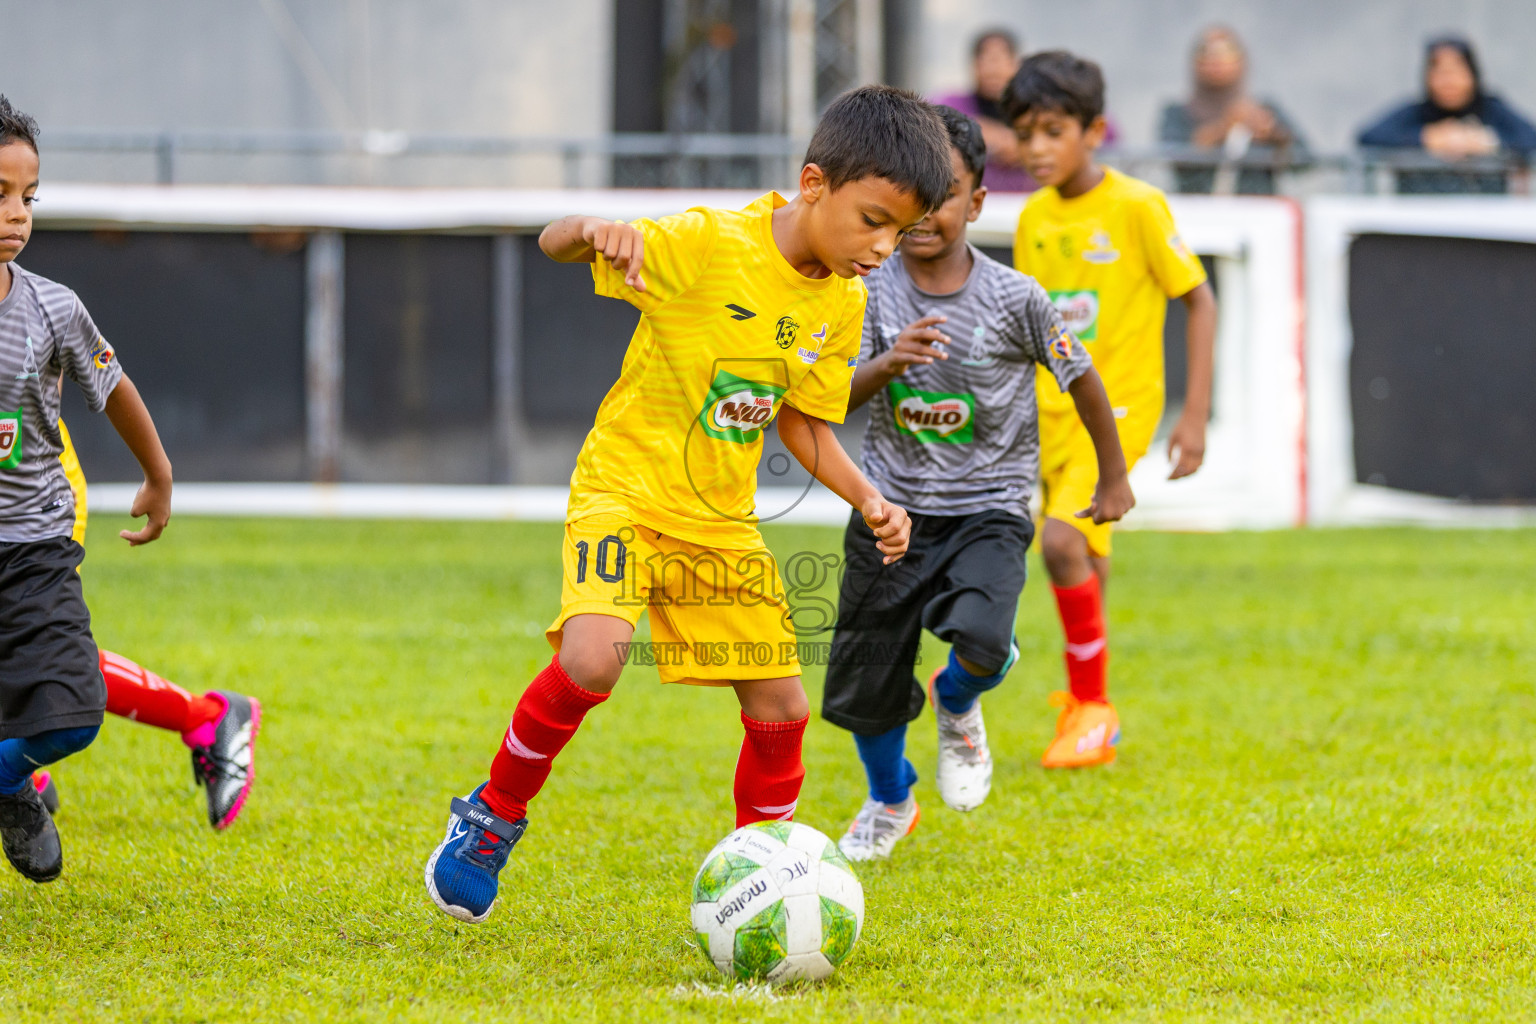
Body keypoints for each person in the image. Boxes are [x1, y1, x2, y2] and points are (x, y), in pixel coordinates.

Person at [421, 84, 950, 924]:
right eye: (873, 220)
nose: (884, 248)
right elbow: (553, 242)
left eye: (901, 232)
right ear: (814, 183)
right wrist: (592, 228)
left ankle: (767, 881)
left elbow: (805, 426)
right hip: (625, 488)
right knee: (594, 658)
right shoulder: (708, 241)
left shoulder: (843, 299)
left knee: (782, 707)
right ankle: (492, 815)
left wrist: (869, 497)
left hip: (719, 522)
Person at [823, 106, 1133, 861]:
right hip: (888, 511)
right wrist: (888, 363)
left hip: (988, 509)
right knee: (867, 684)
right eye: (915, 201)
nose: (927, 218)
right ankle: (890, 799)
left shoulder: (1014, 297)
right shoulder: (868, 289)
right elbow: (830, 399)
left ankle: (957, 698)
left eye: (948, 197)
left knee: (987, 644)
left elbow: (1081, 376)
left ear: (978, 203)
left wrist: (1114, 475)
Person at [0, 95, 254, 884]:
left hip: (34, 523)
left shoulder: (49, 308)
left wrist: (159, 472)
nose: (17, 215)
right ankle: (22, 774)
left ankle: (17, 773)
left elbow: (111, 385)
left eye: (27, 198)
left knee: (61, 684)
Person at [1006, 53, 1217, 769]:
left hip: (1120, 407)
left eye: (1053, 130)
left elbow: (1199, 297)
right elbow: (1031, 322)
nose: (1037, 148)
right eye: (1024, 133)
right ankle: (1083, 700)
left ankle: (1095, 711)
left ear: (1093, 129)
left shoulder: (1137, 206)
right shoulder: (1033, 217)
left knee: (1060, 545)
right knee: (1085, 556)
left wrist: (1194, 417)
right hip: (1049, 414)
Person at [31, 424, 261, 832]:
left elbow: (89, 376)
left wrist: (158, 475)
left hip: (33, 488)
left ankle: (207, 718)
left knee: (45, 650)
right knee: (32, 649)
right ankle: (23, 777)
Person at [1357, 35, 1536, 194]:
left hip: (1486, 213)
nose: (1448, 82)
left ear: (1472, 75)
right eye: (1440, 72)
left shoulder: (1491, 109)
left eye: (1456, 71)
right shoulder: (1416, 112)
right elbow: (1368, 137)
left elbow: (1530, 139)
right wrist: (1427, 138)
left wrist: (1487, 141)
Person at [1158, 26, 1308, 195]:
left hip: (1259, 214)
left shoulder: (1264, 110)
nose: (1216, 60)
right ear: (1194, 62)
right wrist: (1224, 127)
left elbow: (1306, 162)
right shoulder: (1176, 113)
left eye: (1227, 52)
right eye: (1206, 52)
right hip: (1197, 213)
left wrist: (1273, 135)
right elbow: (1175, 159)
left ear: (1242, 61)